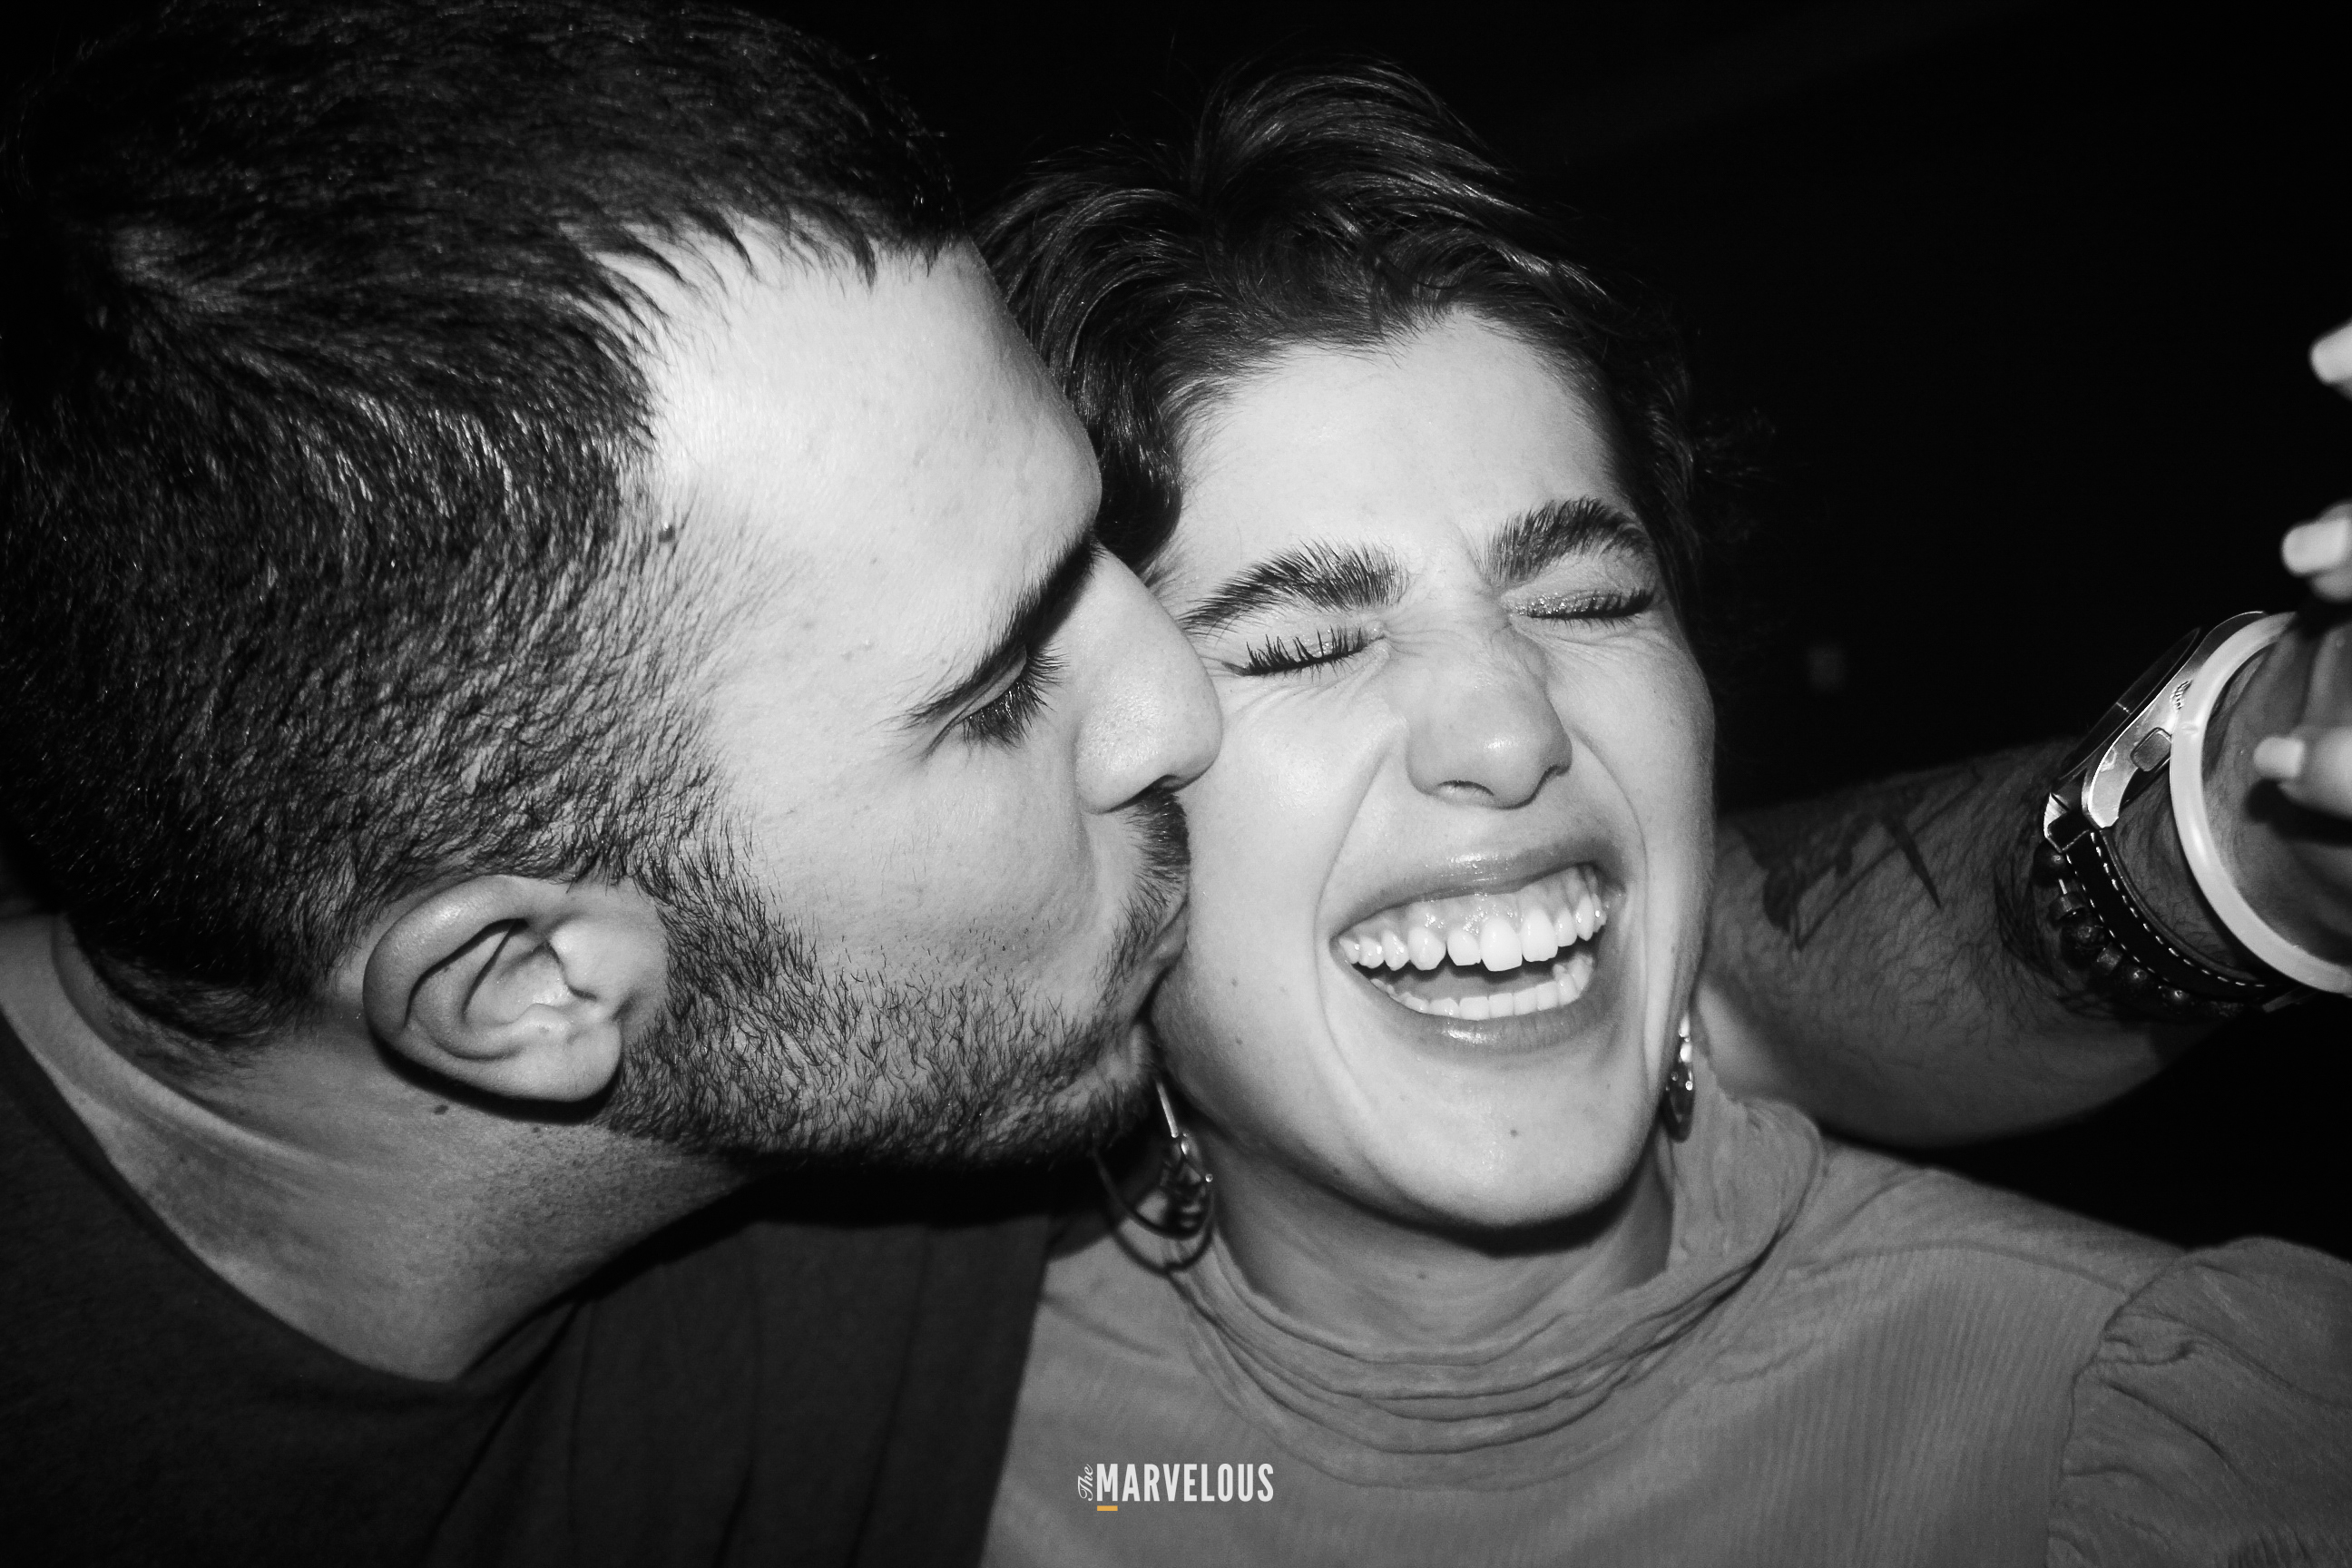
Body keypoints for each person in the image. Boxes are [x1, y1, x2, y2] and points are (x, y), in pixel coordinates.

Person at [2, 5, 2347, 1565]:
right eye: (1002, 681)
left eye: (1587, 589)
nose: (1168, 713)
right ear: (524, 990)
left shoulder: (2149, 1432)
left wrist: (2256, 815)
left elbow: (1719, 961)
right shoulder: (929, 1288)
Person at [976, 67, 2352, 1565]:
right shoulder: (926, 1432)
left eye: (1588, 599)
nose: (1512, 729)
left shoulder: (2118, 1434)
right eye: (1308, 644)